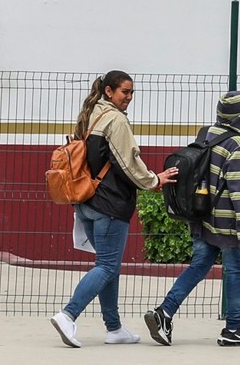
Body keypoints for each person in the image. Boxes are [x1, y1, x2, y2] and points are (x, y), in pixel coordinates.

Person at [51, 72, 178, 347]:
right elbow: (128, 162)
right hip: (110, 205)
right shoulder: (116, 120)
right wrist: (155, 180)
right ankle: (68, 315)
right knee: (107, 265)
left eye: (132, 93)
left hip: (86, 202)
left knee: (108, 266)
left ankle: (114, 328)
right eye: (124, 92)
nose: (129, 98)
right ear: (109, 91)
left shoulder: (90, 113)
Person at [144, 92, 240, 346]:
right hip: (227, 222)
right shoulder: (236, 143)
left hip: (202, 216)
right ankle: (234, 329)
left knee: (199, 265)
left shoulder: (206, 133)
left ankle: (164, 312)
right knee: (236, 271)